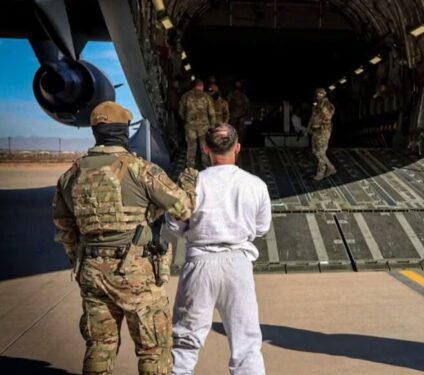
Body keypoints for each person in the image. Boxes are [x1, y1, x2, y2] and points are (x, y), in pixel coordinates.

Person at [52, 101, 197, 375]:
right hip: (135, 274)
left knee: (99, 346)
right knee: (154, 350)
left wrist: (82, 260)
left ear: (97, 132)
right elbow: (184, 208)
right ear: (123, 132)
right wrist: (189, 182)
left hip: (92, 273)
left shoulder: (71, 175)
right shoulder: (141, 170)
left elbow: (65, 228)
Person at [168, 124, 270, 375]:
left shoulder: (193, 185)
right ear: (237, 148)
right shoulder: (255, 185)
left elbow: (174, 224)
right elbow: (262, 227)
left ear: (205, 149)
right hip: (238, 264)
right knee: (246, 345)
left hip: (199, 262)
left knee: (185, 343)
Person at [179, 79, 216, 168]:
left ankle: (190, 170)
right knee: (204, 148)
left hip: (190, 126)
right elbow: (212, 113)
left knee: (191, 148)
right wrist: (212, 126)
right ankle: (206, 167)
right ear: (202, 86)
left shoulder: (186, 96)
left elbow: (180, 111)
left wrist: (186, 120)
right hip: (204, 127)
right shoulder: (206, 96)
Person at [308, 88, 336, 180]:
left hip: (323, 131)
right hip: (315, 131)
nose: (318, 95)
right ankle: (331, 168)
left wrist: (322, 107)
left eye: (321, 93)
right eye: (317, 93)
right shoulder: (316, 106)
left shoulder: (327, 105)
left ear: (324, 94)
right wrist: (309, 128)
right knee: (315, 151)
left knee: (321, 152)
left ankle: (320, 172)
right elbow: (312, 118)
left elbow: (328, 116)